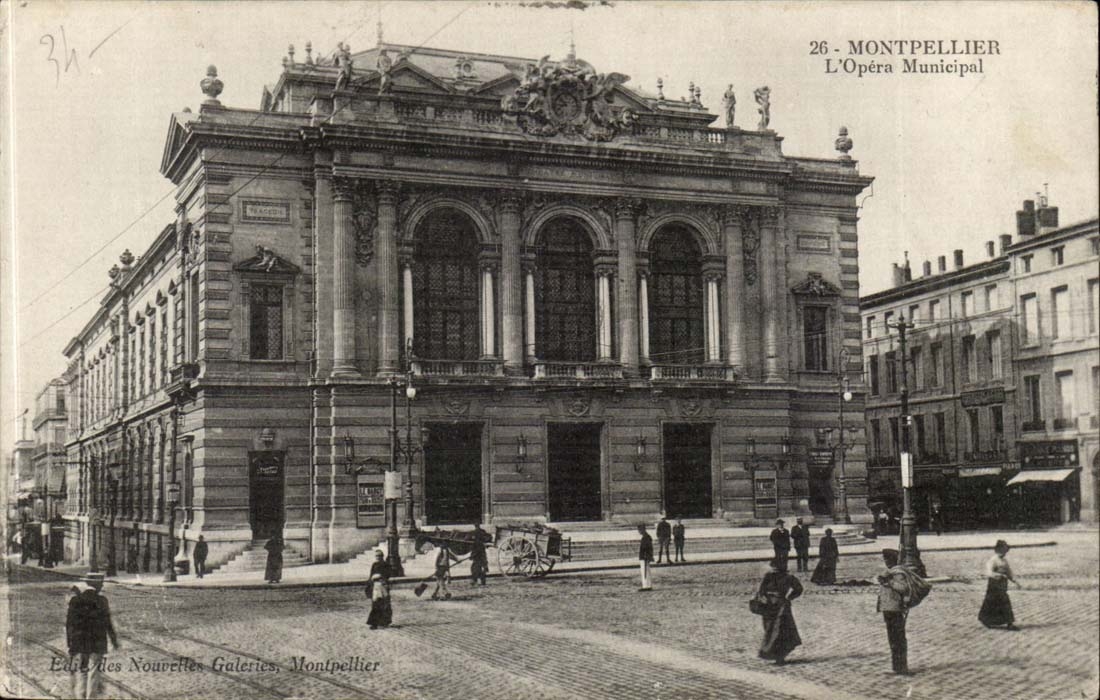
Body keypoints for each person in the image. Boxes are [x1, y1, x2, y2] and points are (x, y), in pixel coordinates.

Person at [67, 573, 120, 699]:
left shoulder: (75, 600)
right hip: (98, 642)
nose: (102, 586)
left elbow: (70, 624)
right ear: (97, 585)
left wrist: (70, 643)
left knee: (82, 671)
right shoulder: (102, 600)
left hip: (80, 642)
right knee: (94, 671)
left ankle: (81, 696)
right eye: (101, 583)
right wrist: (114, 641)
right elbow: (108, 623)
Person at [756, 558, 803, 665]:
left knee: (776, 630)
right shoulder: (785, 577)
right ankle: (777, 655)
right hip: (778, 605)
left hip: (774, 605)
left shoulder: (771, 576)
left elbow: (761, 591)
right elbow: (798, 589)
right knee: (778, 630)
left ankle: (776, 654)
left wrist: (765, 598)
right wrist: (789, 598)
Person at [877, 549, 913, 675]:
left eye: (888, 560)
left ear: (893, 560)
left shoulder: (898, 573)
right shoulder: (890, 572)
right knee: (893, 639)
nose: (886, 562)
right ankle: (896, 666)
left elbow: (903, 588)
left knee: (898, 639)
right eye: (885, 560)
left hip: (895, 609)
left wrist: (889, 582)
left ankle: (901, 667)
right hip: (888, 609)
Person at [979, 540, 1022, 630]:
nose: (1006, 552)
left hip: (1002, 584)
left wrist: (1015, 581)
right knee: (991, 602)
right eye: (1004, 549)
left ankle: (1009, 623)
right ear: (999, 550)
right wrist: (999, 575)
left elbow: (1009, 572)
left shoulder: (1004, 561)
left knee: (1004, 602)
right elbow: (989, 572)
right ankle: (987, 620)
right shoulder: (993, 560)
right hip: (994, 584)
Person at [366, 551, 392, 629]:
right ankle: (374, 623)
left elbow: (388, 574)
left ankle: (385, 621)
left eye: (379, 556)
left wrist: (381, 577)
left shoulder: (386, 565)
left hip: (383, 586)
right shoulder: (374, 565)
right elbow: (371, 575)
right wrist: (370, 582)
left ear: (382, 556)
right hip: (375, 586)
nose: (378, 557)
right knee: (375, 605)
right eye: (376, 556)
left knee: (384, 604)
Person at [637, 524, 653, 591]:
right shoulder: (646, 537)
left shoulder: (646, 537)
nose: (639, 532)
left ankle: (646, 586)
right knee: (646, 571)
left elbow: (648, 548)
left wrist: (647, 556)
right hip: (645, 556)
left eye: (639, 530)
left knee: (645, 572)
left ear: (642, 530)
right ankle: (648, 585)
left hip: (644, 556)